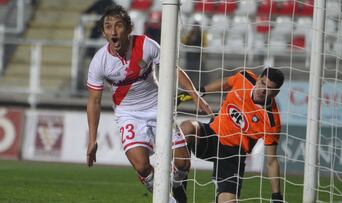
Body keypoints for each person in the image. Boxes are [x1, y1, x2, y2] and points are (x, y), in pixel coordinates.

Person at [85, 5, 213, 203]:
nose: (113, 31)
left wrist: (194, 94)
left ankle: (177, 186)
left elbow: (173, 68)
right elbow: (94, 101)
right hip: (128, 114)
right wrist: (92, 139)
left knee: (182, 164)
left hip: (158, 108)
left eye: (118, 26)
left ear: (129, 28)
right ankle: (168, 200)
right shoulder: (99, 61)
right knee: (142, 166)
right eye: (108, 27)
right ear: (103, 32)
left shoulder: (146, 45)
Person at [180, 67, 285, 203]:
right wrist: (201, 91)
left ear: (276, 93)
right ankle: (178, 182)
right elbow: (226, 83)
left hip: (233, 154)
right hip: (213, 134)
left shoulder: (272, 121)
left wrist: (276, 195)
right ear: (258, 79)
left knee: (229, 201)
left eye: (270, 88)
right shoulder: (244, 78)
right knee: (186, 127)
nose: (263, 90)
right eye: (263, 83)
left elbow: (271, 161)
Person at [181, 22, 208, 87]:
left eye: (196, 27)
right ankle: (186, 87)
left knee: (200, 75)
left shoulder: (202, 35)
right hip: (189, 59)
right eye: (194, 27)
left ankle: (202, 87)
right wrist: (190, 37)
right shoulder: (189, 34)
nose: (195, 28)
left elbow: (205, 45)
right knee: (188, 75)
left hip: (198, 59)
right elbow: (183, 42)